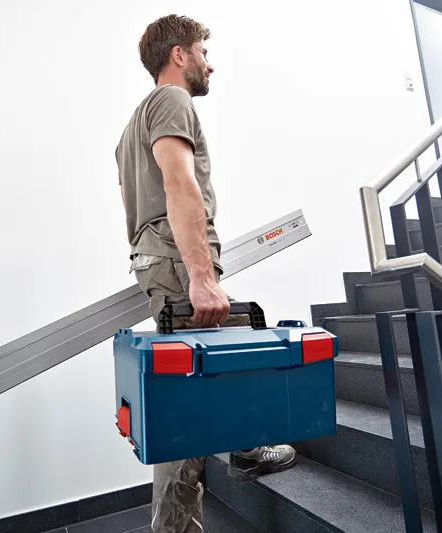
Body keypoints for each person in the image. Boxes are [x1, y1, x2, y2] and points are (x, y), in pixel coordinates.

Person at [115, 14, 297, 533]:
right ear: (179, 55)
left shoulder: (130, 129)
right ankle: (175, 526)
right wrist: (200, 275)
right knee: (188, 401)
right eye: (202, 52)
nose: (208, 63)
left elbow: (144, 201)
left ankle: (244, 442)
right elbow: (179, 187)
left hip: (160, 256)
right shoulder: (171, 101)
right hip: (176, 257)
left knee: (214, 364)